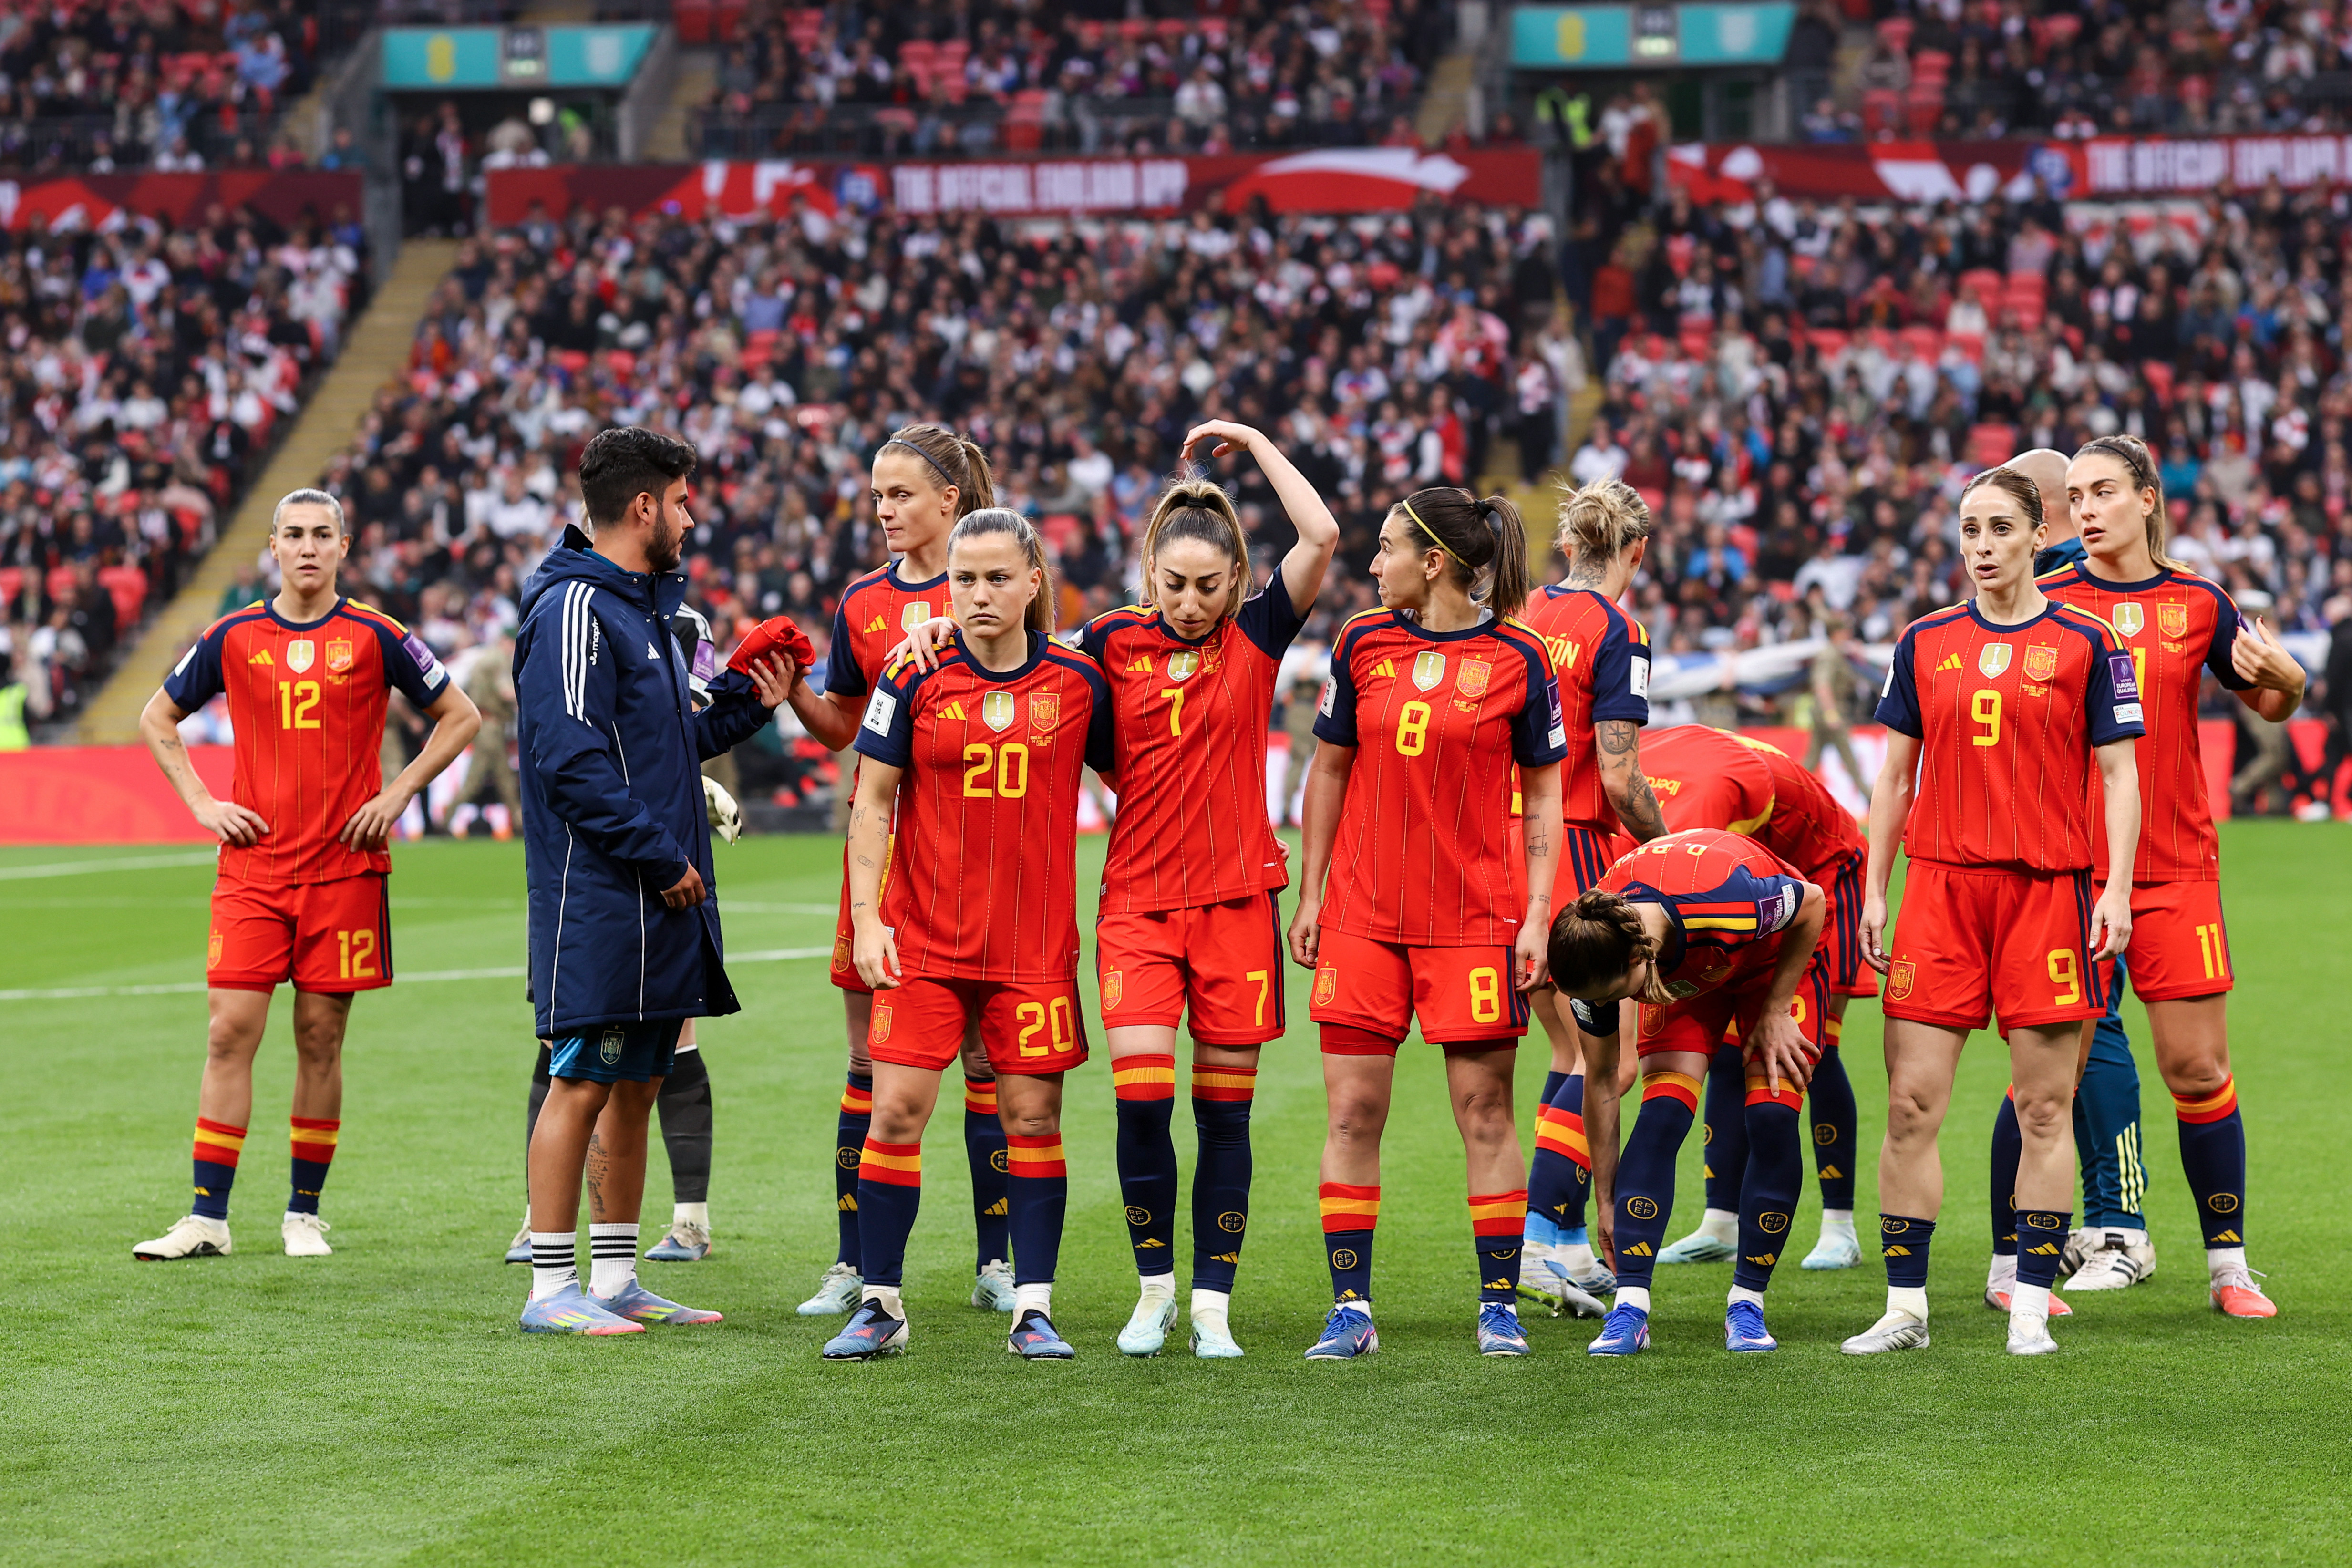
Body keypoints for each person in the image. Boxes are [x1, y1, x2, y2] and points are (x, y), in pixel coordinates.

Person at [1993, 435, 2301, 1317]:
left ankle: (2227, 1265)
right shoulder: (2046, 600)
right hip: (2067, 868)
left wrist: (2290, 678)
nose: (2082, 510)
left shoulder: (2198, 601)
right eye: (2076, 496)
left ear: (2146, 499)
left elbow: (2270, 697)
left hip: (2175, 868)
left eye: (2101, 493)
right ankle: (2021, 1262)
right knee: (2047, 1072)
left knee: (2197, 1066)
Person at [132, 489, 482, 1261]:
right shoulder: (231, 636)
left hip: (342, 871)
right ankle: (206, 1217)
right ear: (272, 545)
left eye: (322, 534)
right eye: (293, 534)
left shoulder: (377, 635)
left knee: (320, 1038)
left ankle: (302, 1213)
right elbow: (157, 717)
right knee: (229, 1032)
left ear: (343, 547)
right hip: (253, 868)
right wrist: (200, 800)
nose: (307, 547)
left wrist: (397, 794)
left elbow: (463, 715)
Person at [1843, 465, 2143, 1358]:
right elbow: (1894, 778)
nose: (1981, 548)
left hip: (2047, 895)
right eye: (1968, 531)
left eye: (1998, 531)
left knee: (2045, 1110)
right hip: (1940, 892)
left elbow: (2120, 775)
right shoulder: (1923, 641)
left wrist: (2116, 888)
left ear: (2032, 534)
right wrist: (1874, 885)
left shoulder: (2089, 643)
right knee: (1909, 1103)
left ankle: (2026, 1306)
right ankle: (1904, 1307)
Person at [510, 427, 792, 1334]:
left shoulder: (641, 608)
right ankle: (551, 1287)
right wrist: (659, 854)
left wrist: (756, 695)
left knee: (635, 1080)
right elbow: (569, 761)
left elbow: (672, 743)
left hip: (653, 893)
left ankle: (618, 1275)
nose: (691, 515)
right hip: (603, 895)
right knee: (580, 1078)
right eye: (680, 500)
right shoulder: (575, 610)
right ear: (643, 507)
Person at [820, 509, 1115, 1362]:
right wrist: (869, 918)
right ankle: (879, 1302)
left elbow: (1139, 782)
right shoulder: (912, 673)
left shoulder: (1079, 680)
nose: (978, 594)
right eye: (964, 579)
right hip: (923, 942)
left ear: (1033, 582)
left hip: (1032, 951)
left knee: (1031, 1120)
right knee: (896, 1113)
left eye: (996, 577)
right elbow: (872, 802)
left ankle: (1033, 1305)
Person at [1077, 422, 1339, 1358]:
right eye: (1175, 585)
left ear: (1236, 582)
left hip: (1237, 908)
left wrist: (1253, 441)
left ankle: (1215, 1307)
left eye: (1209, 587)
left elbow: (1321, 539)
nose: (1191, 604)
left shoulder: (1261, 637)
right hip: (1139, 908)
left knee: (1223, 1117)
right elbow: (1012, 656)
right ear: (1150, 573)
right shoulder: (1102, 642)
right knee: (1142, 1103)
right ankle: (1155, 1293)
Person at [1289, 486, 1567, 1360]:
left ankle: (1498, 1304)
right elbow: (1328, 771)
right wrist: (1311, 894)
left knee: (1486, 1112)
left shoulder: (1521, 656)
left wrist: (1534, 913)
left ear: (1432, 561)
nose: (1373, 565)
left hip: (1474, 923)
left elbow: (1546, 794)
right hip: (1364, 919)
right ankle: (1350, 1308)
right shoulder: (1359, 643)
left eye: (1385, 549)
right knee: (1352, 1114)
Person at [775, 424, 1015, 1318]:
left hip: (977, 855)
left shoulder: (998, 579)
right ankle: (851, 1263)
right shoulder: (863, 605)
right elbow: (843, 728)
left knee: (990, 1062)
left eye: (900, 492)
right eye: (877, 493)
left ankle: (997, 1259)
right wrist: (790, 693)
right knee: (867, 1064)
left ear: (947, 500)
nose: (882, 508)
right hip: (879, 864)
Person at [1548, 827, 1826, 1354]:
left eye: (1613, 998)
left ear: (1637, 960)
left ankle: (1748, 1303)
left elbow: (1812, 901)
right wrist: (1604, 1196)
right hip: (1684, 979)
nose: (1606, 1007)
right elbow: (1603, 1079)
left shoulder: (1728, 900)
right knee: (1662, 1116)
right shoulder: (1596, 951)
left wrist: (1775, 1009)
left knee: (1771, 1116)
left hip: (1769, 965)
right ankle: (1631, 1308)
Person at [1629, 727, 1871, 1272]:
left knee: (1805, 1047)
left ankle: (1840, 1226)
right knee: (1724, 1049)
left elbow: (1790, 900)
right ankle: (1721, 1222)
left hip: (1820, 874)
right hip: (1749, 878)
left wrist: (1778, 1007)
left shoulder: (1699, 827)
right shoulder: (1632, 795)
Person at [1516, 477, 1668, 1314]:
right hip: (1570, 847)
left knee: (1562, 1051)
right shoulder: (1619, 630)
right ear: (1635, 554)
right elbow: (1617, 776)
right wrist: (1666, 840)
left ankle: (1566, 1241)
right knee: (1603, 1057)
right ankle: (1540, 1237)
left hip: (1497, 847)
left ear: (1567, 545)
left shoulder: (1523, 612)